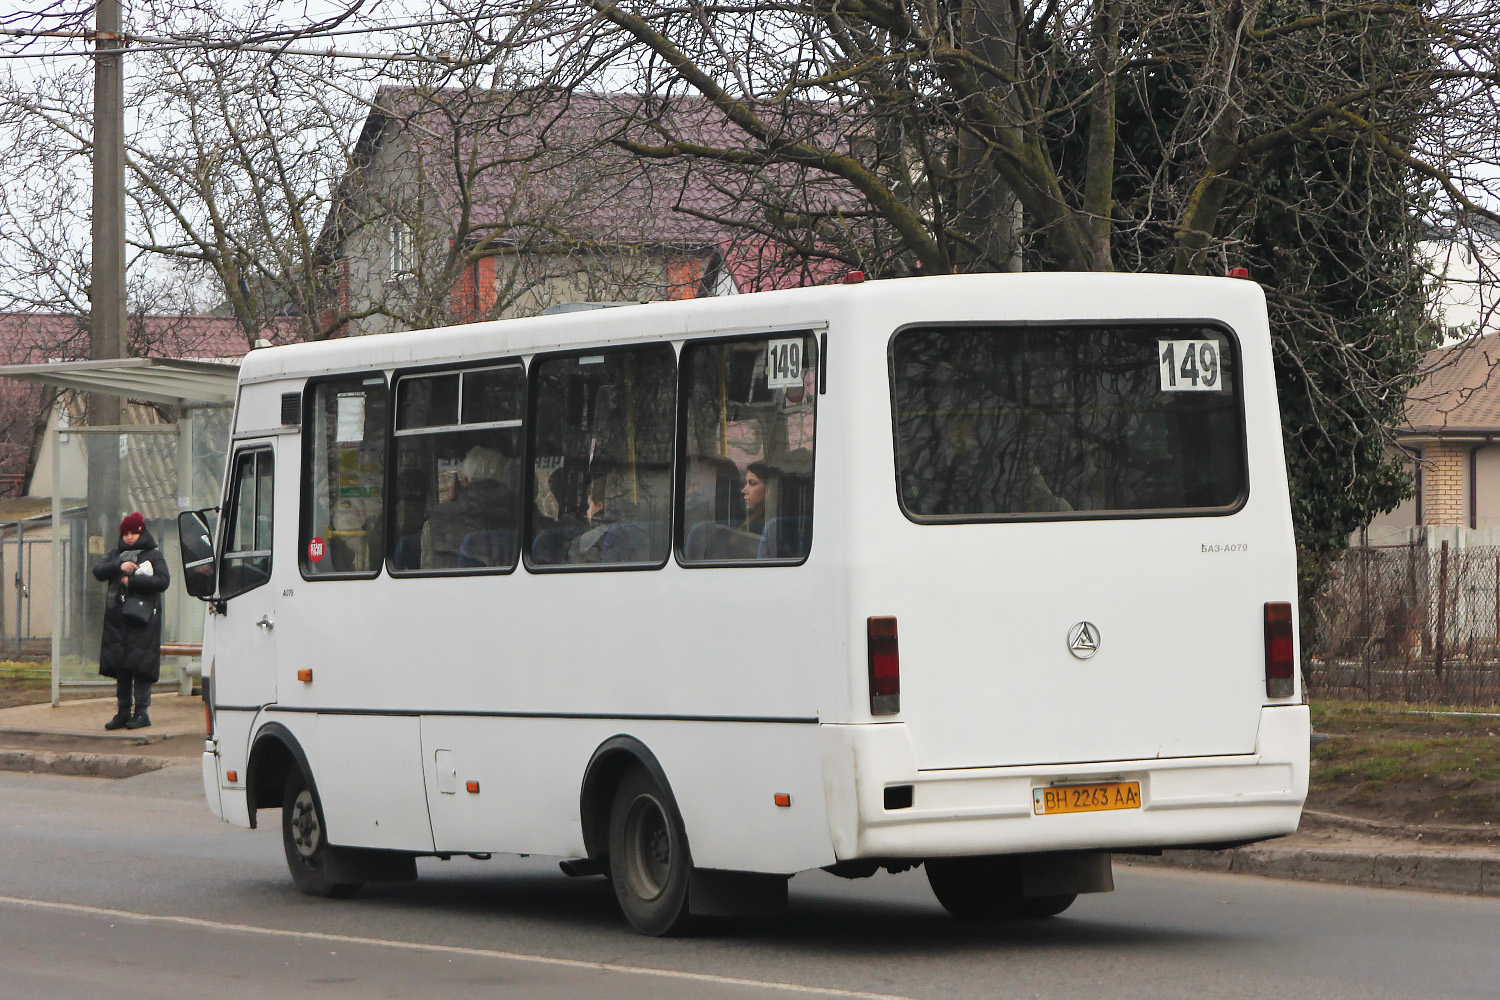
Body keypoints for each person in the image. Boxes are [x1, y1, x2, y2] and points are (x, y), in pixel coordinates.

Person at [92, 512, 171, 731]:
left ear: (141, 532)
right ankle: (123, 711)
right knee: (122, 666)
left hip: (143, 619)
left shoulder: (153, 555)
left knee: (141, 666)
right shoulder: (116, 554)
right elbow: (98, 571)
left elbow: (163, 581)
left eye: (133, 533)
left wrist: (132, 581)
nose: (129, 538)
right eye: (125, 533)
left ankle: (142, 712)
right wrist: (119, 565)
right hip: (118, 620)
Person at [420, 446, 514, 568]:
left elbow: (426, 571)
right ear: (505, 480)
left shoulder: (437, 522)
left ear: (465, 480)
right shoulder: (522, 516)